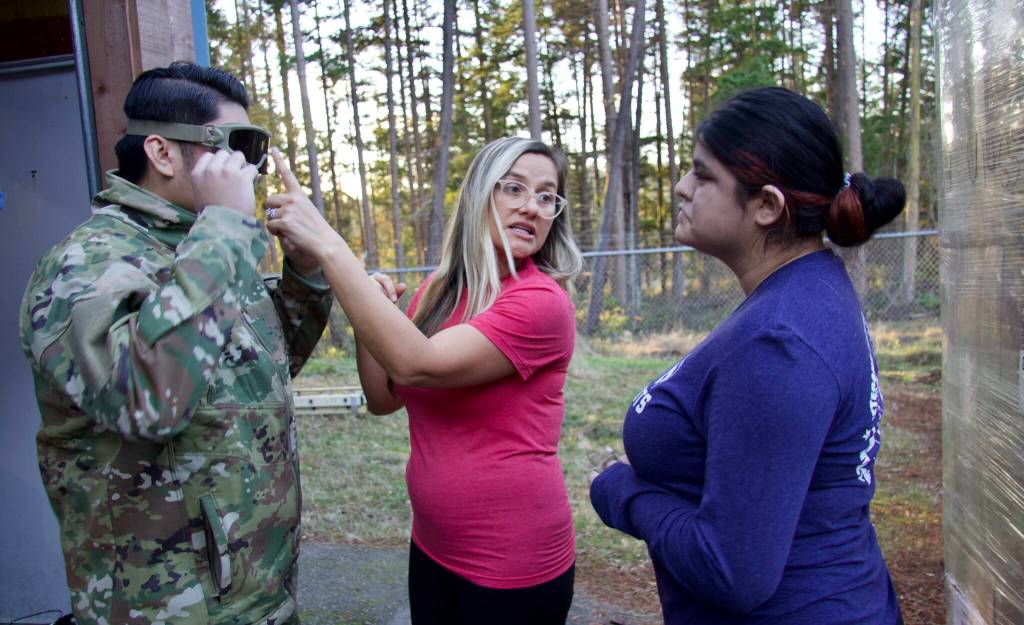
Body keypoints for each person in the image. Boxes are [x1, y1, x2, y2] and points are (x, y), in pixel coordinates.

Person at [19, 62, 332, 625]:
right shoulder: (87, 265)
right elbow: (149, 402)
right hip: (164, 609)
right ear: (163, 154)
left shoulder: (205, 249)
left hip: (258, 594)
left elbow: (261, 368)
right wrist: (224, 231)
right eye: (233, 149)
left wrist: (305, 273)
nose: (250, 170)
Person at [589, 87, 906, 625]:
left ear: (766, 205)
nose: (681, 187)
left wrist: (622, 492)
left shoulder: (779, 342)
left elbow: (732, 571)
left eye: (703, 175)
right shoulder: (806, 291)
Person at [262, 136, 583, 625]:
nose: (533, 208)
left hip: (512, 560)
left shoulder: (541, 302)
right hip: (433, 545)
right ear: (481, 195)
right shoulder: (440, 290)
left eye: (546, 196)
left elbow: (418, 364)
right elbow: (384, 396)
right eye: (514, 188)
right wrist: (375, 312)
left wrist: (328, 245)